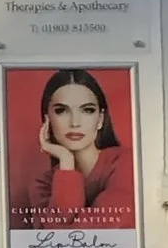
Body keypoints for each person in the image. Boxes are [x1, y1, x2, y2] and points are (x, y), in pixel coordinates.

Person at [27, 69, 134, 224]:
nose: (75, 122)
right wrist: (66, 160)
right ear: (47, 119)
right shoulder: (42, 184)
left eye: (87, 110)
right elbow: (55, 240)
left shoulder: (126, 163)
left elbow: (99, 234)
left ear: (100, 119)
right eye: (61, 111)